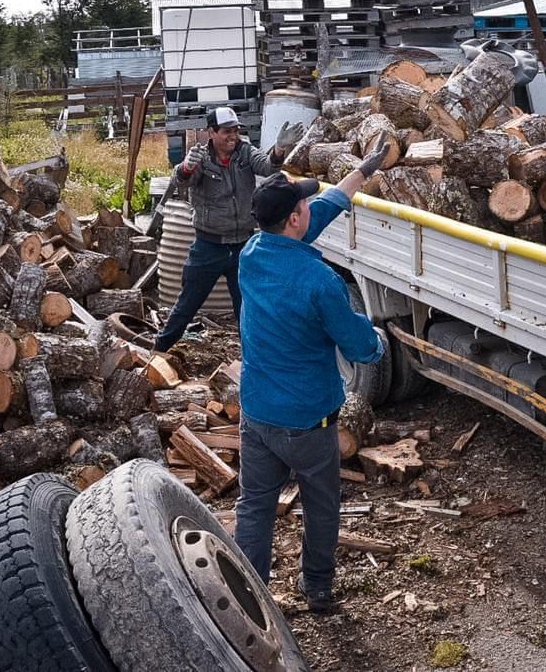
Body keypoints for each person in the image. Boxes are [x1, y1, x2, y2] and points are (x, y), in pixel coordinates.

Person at [233, 143, 390, 614]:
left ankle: (250, 596)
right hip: (308, 420)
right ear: (294, 219)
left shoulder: (252, 252)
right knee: (321, 503)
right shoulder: (320, 281)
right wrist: (377, 339)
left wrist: (360, 174)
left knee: (254, 505)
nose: (307, 207)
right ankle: (317, 587)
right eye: (302, 204)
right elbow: (360, 347)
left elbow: (318, 211)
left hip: (257, 412)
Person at [153, 106, 304, 352]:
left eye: (235, 130)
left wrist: (279, 149)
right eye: (226, 131)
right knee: (187, 304)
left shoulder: (244, 152)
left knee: (246, 306)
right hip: (208, 246)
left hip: (243, 245)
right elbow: (180, 182)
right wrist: (185, 167)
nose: (232, 136)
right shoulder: (200, 157)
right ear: (211, 132)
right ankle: (159, 349)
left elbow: (267, 167)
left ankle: (252, 357)